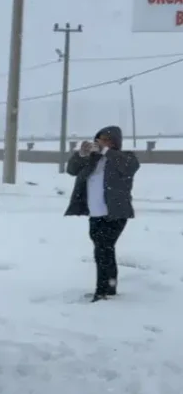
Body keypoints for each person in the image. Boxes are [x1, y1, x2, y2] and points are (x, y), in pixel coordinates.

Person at [63, 125, 140, 301]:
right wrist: (81, 154)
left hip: (115, 213)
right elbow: (71, 170)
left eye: (106, 139)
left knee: (103, 249)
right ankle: (108, 288)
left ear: (115, 142)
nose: (100, 143)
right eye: (99, 139)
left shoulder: (126, 158)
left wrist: (106, 151)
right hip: (95, 213)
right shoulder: (93, 159)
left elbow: (129, 167)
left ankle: (103, 290)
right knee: (103, 250)